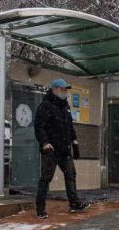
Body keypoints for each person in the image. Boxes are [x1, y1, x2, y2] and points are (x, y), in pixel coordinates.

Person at [34, 78, 90, 219]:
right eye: (62, 89)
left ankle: (74, 204)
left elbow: (70, 126)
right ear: (54, 89)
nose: (65, 92)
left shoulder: (65, 106)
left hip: (65, 150)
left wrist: (75, 142)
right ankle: (40, 208)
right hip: (51, 150)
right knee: (46, 178)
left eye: (66, 89)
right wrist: (45, 143)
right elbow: (39, 126)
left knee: (71, 174)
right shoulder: (45, 105)